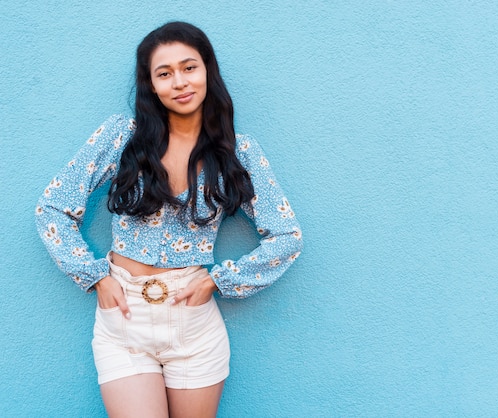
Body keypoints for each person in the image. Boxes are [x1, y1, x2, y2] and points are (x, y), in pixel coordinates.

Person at [35, 21, 303, 417]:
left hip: (193, 324)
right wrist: (94, 275)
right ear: (152, 85)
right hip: (123, 319)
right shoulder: (120, 137)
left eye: (189, 67)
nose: (179, 82)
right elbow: (52, 207)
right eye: (164, 73)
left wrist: (219, 280)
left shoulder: (238, 152)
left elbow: (287, 236)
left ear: (207, 71)